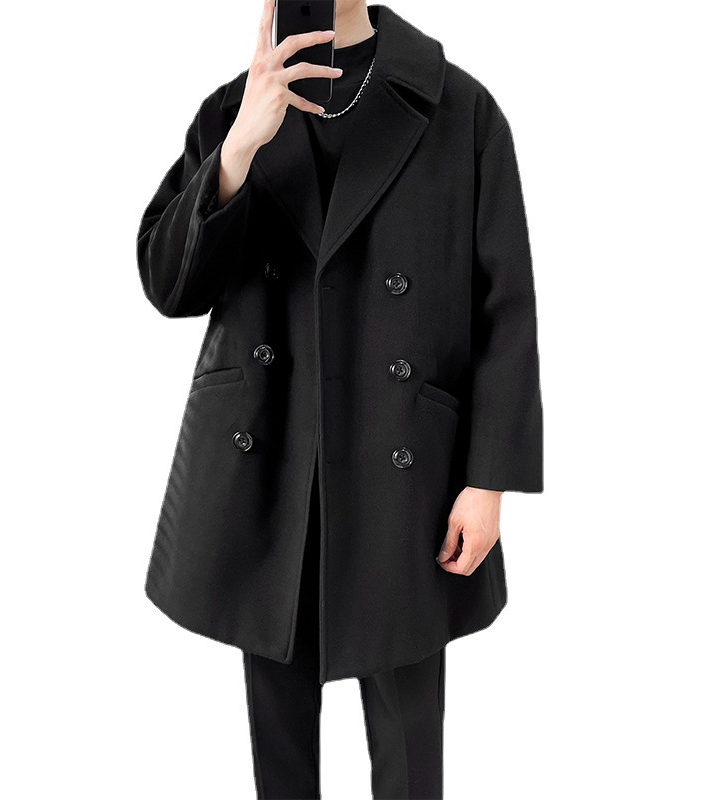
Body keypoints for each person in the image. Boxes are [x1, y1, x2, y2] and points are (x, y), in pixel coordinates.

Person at [136, 1, 543, 797]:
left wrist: (488, 480)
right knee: (280, 753)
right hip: (270, 463)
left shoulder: (460, 109)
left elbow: (507, 308)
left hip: (406, 473)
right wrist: (239, 149)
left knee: (408, 749)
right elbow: (168, 284)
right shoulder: (234, 109)